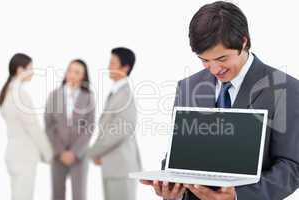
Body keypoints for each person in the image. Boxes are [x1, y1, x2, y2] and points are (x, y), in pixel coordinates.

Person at [141, 1, 299, 200]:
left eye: (222, 59)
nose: (215, 70)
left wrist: (237, 196)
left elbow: (291, 166)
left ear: (243, 42)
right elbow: (178, 154)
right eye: (205, 60)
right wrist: (170, 186)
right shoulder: (188, 87)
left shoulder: (285, 89)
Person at [88, 47, 142, 200]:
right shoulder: (116, 93)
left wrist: (91, 153)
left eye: (112, 63)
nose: (108, 67)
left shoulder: (125, 95)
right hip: (112, 166)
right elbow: (107, 128)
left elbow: (118, 132)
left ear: (125, 68)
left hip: (121, 167)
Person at [0, 53, 53, 200]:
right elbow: (33, 128)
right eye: (30, 68)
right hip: (24, 156)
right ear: (19, 70)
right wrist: (49, 154)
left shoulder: (7, 92)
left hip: (13, 154)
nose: (33, 72)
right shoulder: (20, 95)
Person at [45, 59, 95, 200]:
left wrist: (74, 152)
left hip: (79, 156)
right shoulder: (54, 95)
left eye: (77, 72)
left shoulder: (89, 97)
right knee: (57, 195)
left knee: (79, 195)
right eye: (70, 70)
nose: (72, 74)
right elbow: (49, 126)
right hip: (58, 154)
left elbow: (90, 127)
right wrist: (61, 151)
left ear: (83, 77)